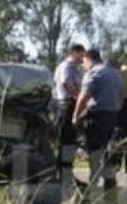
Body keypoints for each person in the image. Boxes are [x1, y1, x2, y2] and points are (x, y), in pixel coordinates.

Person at [71, 48, 122, 192]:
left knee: (95, 149)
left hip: (97, 115)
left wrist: (75, 115)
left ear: (88, 58)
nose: (83, 66)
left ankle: (93, 182)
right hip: (112, 115)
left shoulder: (94, 73)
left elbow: (84, 95)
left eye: (84, 62)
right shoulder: (115, 73)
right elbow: (121, 95)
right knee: (107, 148)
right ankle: (110, 179)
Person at [51, 43, 85, 189]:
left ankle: (67, 176)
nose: (83, 58)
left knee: (70, 143)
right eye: (81, 54)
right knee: (66, 143)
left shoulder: (75, 68)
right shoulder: (66, 66)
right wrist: (79, 98)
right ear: (74, 53)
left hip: (70, 106)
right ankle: (63, 178)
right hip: (65, 106)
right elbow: (66, 83)